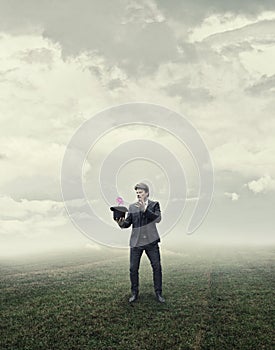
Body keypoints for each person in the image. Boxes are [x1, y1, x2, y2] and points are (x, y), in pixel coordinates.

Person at [116, 183, 165, 303]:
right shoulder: (132, 207)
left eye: (141, 192)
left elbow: (158, 219)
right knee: (133, 269)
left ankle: (158, 293)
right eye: (137, 192)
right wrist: (121, 223)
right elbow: (127, 223)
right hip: (136, 243)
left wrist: (145, 210)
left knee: (157, 267)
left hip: (151, 242)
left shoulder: (154, 205)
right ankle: (134, 293)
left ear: (147, 193)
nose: (138, 194)